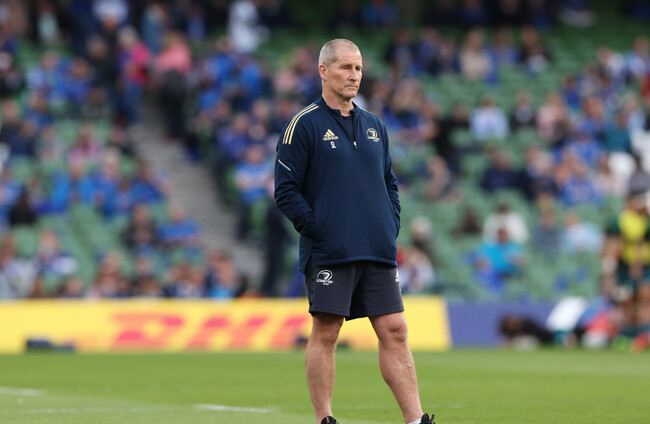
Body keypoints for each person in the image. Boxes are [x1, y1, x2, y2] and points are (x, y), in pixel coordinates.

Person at [274, 39, 434, 424]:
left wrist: (389, 223)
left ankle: (416, 420)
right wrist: (319, 229)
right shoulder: (303, 125)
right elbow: (285, 190)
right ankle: (324, 418)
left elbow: (389, 183)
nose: (354, 75)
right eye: (346, 67)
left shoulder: (375, 125)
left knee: (395, 330)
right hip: (331, 249)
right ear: (323, 71)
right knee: (328, 330)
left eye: (359, 68)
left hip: (377, 246)